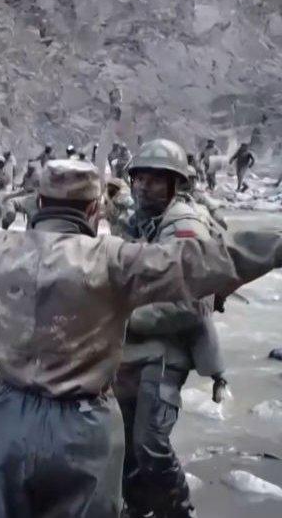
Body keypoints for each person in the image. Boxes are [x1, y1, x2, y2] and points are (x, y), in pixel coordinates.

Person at [0, 159, 282, 518]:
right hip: (85, 426)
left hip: (8, 419)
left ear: (39, 203)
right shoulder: (115, 261)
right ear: (95, 209)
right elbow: (208, 260)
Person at [119, 140, 228, 517]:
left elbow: (192, 304)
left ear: (175, 184)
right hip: (136, 347)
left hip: (169, 347)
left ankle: (179, 511)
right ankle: (139, 508)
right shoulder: (140, 221)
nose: (143, 187)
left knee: (149, 443)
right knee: (125, 443)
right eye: (140, 179)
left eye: (154, 180)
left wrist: (128, 319)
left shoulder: (184, 227)